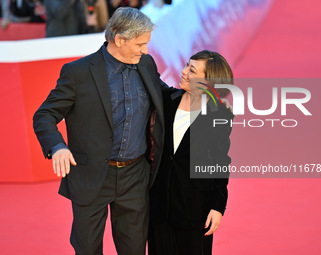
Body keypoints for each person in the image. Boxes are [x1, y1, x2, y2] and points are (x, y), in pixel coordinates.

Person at [33, 7, 165, 255]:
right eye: (140, 44)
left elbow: (163, 96)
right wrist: (57, 146)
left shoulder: (145, 63)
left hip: (135, 176)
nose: (145, 50)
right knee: (88, 249)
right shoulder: (78, 73)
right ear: (119, 39)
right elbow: (45, 115)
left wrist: (201, 97)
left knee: (135, 249)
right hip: (92, 175)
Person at [148, 50, 234, 255]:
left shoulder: (219, 115)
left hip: (195, 209)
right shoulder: (168, 100)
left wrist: (218, 206)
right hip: (160, 207)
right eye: (187, 65)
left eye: (192, 70)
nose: (184, 71)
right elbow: (149, 74)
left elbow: (220, 161)